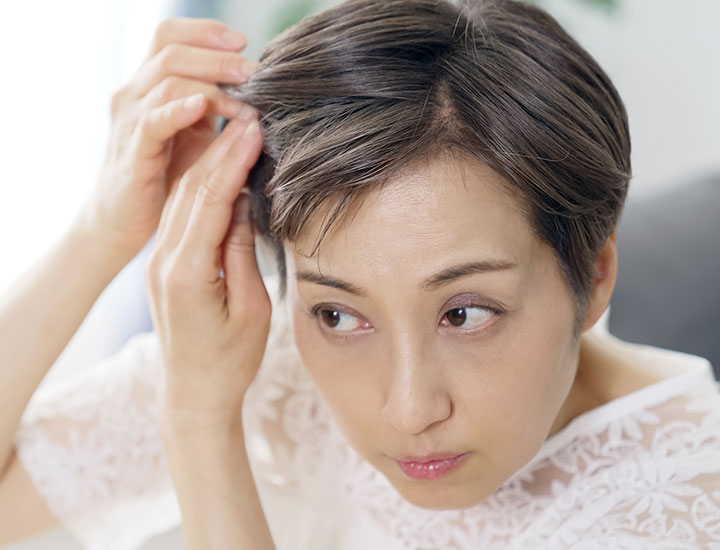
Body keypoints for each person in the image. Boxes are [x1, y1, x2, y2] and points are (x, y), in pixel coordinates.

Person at [1, 0, 719, 548]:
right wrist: (103, 233)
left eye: (465, 312)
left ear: (594, 276)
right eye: (341, 315)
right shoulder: (261, 359)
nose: (408, 411)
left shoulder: (688, 504)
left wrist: (198, 425)